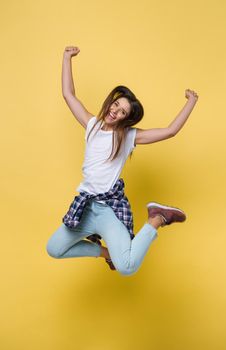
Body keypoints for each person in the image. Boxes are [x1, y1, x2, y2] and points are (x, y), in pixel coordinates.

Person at [46, 46, 199, 275]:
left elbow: (170, 131)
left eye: (123, 112)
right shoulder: (91, 125)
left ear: (125, 120)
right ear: (110, 102)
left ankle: (157, 218)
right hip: (85, 209)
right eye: (116, 104)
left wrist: (191, 101)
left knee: (126, 267)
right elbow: (68, 94)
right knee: (54, 248)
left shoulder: (127, 137)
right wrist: (66, 57)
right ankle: (106, 254)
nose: (116, 111)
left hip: (108, 210)